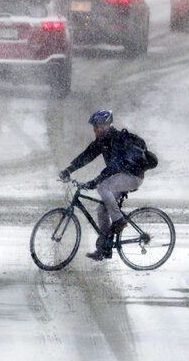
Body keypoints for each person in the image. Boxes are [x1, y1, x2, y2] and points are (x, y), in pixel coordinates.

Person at [58, 110, 145, 261]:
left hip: (133, 176)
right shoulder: (102, 141)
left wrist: (95, 181)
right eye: (94, 127)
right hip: (121, 177)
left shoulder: (116, 139)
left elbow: (114, 167)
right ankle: (104, 248)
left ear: (106, 125)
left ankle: (119, 221)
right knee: (102, 210)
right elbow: (86, 156)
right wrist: (68, 170)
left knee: (103, 187)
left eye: (97, 126)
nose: (95, 130)